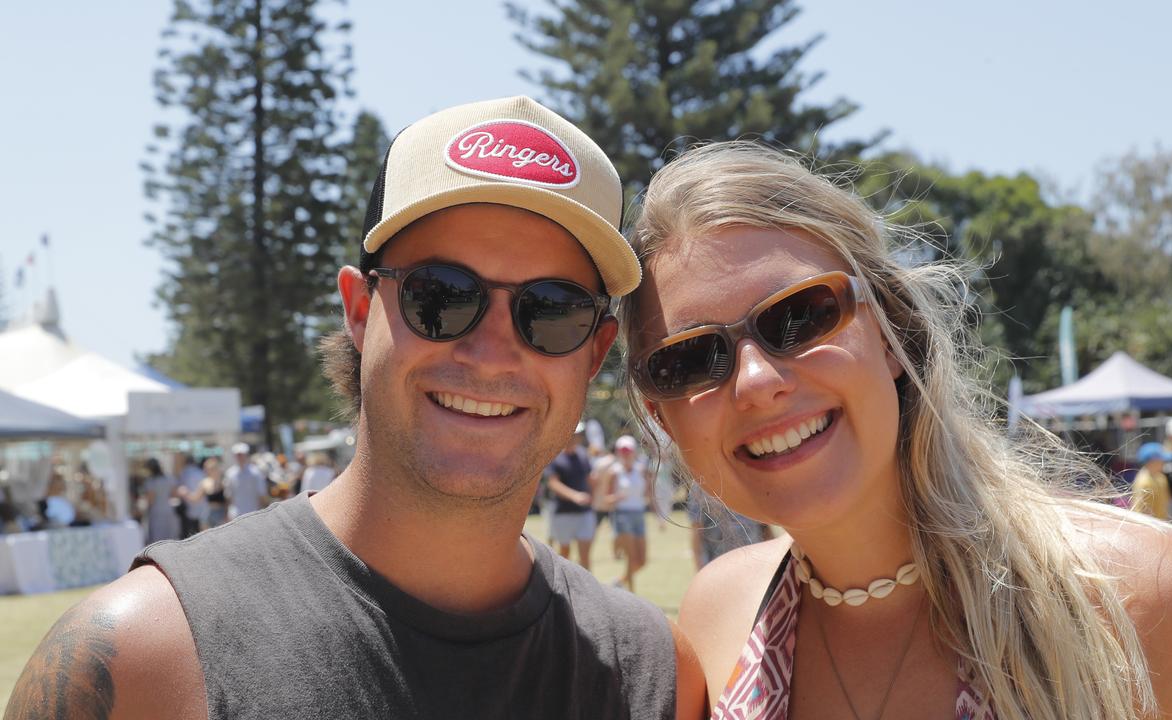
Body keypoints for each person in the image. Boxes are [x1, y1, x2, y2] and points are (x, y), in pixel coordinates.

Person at [6, 96, 700, 719]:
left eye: (551, 311)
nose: (491, 354)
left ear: (594, 348)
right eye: (441, 296)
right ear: (360, 312)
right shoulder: (140, 662)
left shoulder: (656, 677)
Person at [618, 142, 1172, 719]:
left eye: (799, 316)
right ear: (662, 416)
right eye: (691, 360)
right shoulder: (716, 618)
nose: (757, 380)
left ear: (887, 331)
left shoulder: (1148, 597)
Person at [600, 435, 653, 591]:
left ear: (634, 452)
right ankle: (632, 593)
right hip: (622, 515)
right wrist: (617, 497)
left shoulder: (641, 470)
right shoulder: (614, 472)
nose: (625, 454)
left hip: (639, 514)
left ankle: (618, 583)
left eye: (628, 451)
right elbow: (606, 499)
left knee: (642, 560)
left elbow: (648, 493)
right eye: (622, 451)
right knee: (630, 558)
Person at [546, 423, 597, 568]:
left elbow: (590, 479)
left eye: (578, 435)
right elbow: (553, 483)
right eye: (573, 434)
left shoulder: (583, 455)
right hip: (563, 513)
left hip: (584, 513)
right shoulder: (555, 456)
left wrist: (593, 494)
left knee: (585, 556)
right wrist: (575, 496)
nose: (576, 438)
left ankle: (587, 590)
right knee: (564, 554)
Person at [223, 441, 269, 519]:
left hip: (253, 514)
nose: (239, 457)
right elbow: (229, 496)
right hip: (236, 515)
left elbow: (262, 494)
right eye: (237, 455)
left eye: (241, 455)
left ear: (246, 455)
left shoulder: (256, 472)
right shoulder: (230, 474)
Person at [1130, 441, 1172, 520]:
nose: (1164, 462)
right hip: (1150, 527)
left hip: (1163, 523)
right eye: (1161, 460)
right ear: (1152, 462)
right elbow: (1143, 513)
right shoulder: (1144, 482)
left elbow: (1167, 503)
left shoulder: (1161, 477)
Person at [175, 452, 206, 538]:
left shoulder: (184, 472)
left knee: (189, 535)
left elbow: (180, 489)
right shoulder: (201, 472)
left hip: (190, 507)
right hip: (201, 509)